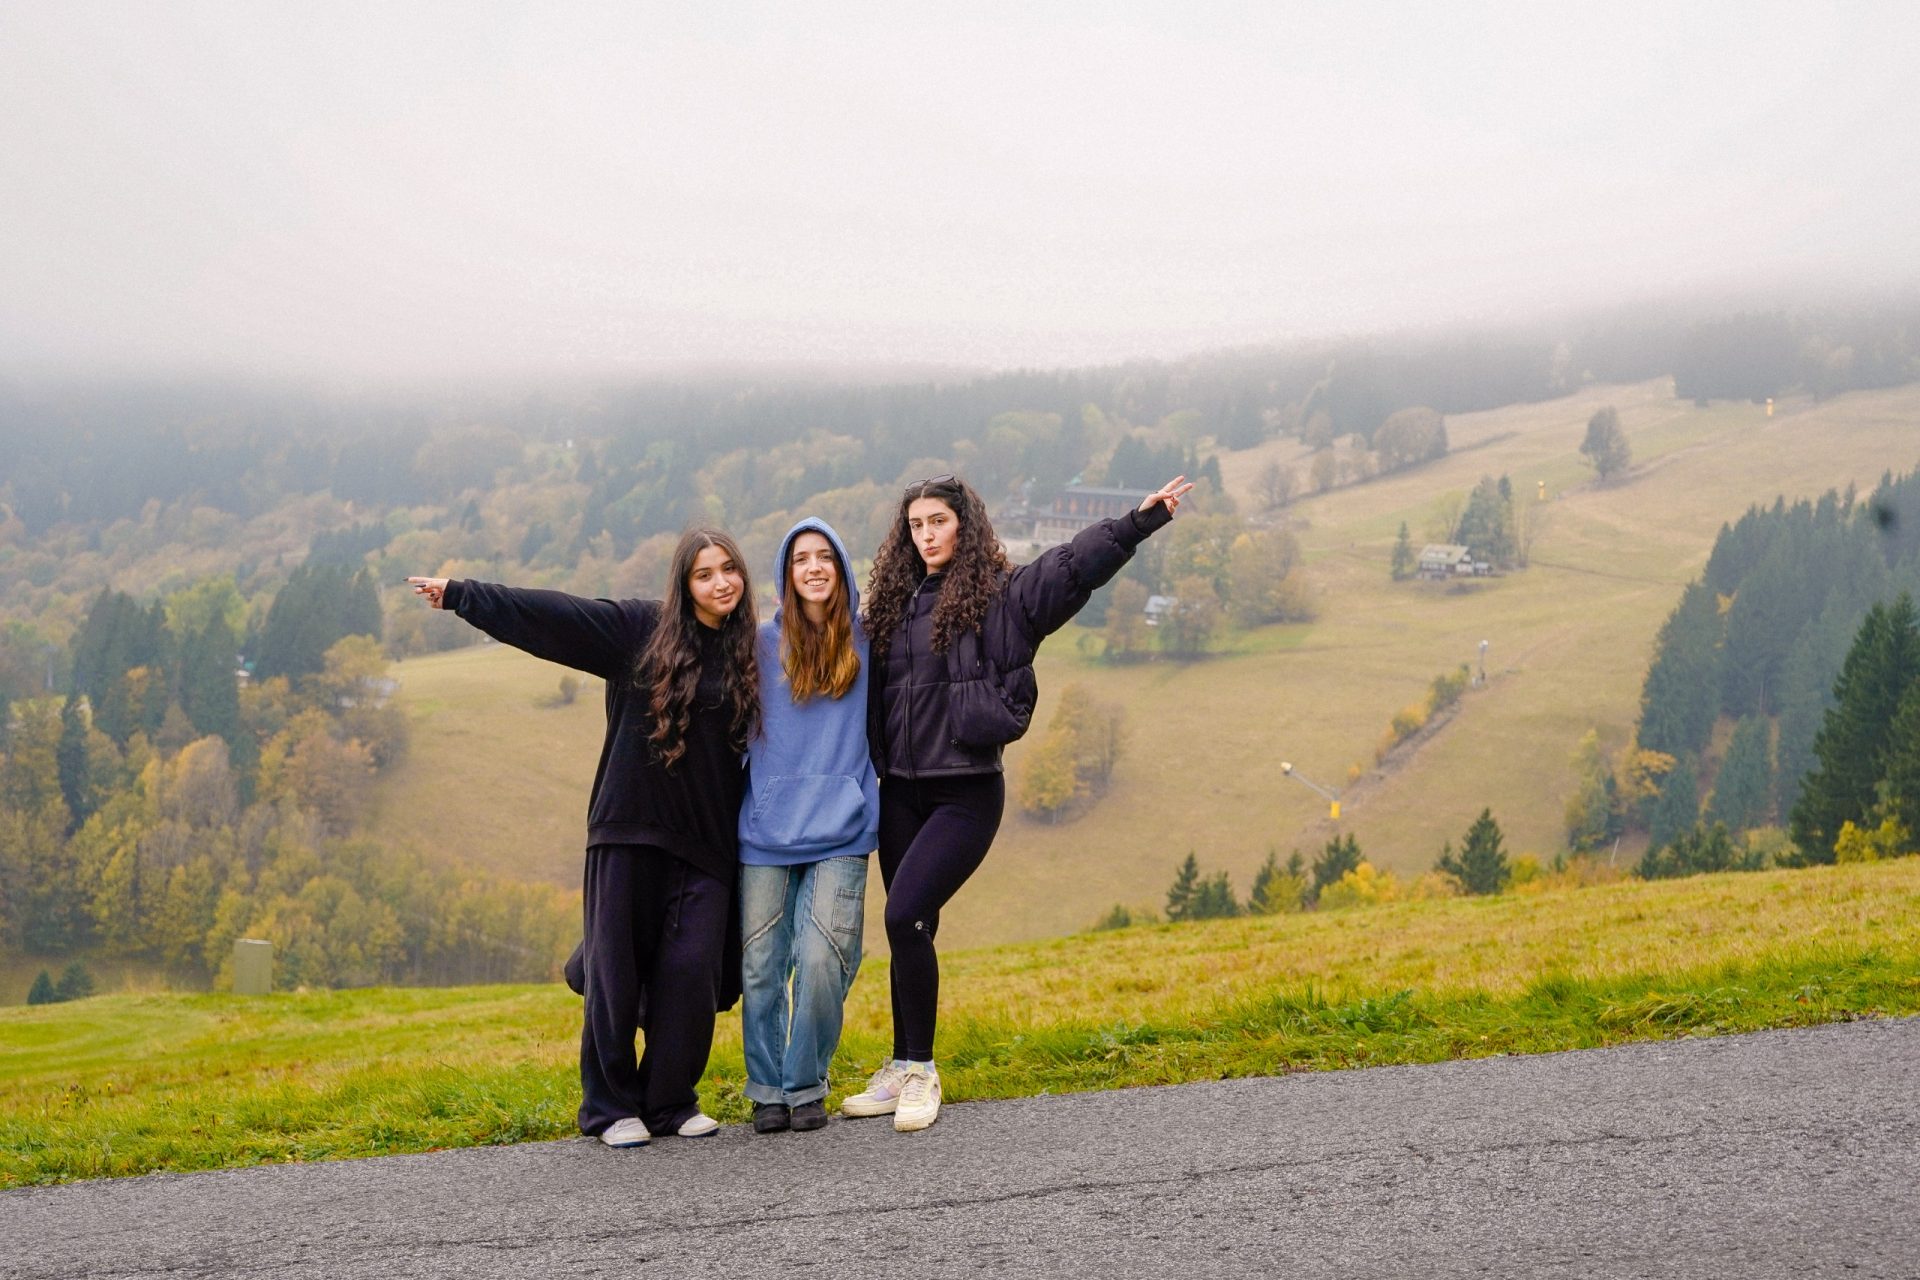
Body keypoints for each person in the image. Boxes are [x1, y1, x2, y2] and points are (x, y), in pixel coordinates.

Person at [845, 472, 1192, 1131]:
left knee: (903, 914)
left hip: (966, 792)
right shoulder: (891, 606)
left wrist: (1136, 524)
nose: (926, 536)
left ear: (963, 525)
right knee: (912, 928)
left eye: (938, 523)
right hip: (901, 794)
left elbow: (1069, 572)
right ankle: (899, 1065)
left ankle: (923, 1071)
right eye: (915, 526)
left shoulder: (998, 597)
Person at [407, 526, 759, 1150]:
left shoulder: (748, 651)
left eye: (728, 569)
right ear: (684, 584)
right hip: (628, 828)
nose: (720, 583)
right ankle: (608, 1107)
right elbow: (555, 616)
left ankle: (670, 1101)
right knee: (615, 974)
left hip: (706, 844)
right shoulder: (640, 630)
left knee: (691, 976)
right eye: (704, 574)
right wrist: (466, 595)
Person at [736, 518, 879, 1135]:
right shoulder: (758, 647)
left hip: (843, 827)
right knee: (761, 966)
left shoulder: (872, 640)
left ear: (842, 569)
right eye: (801, 560)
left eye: (825, 557)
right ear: (786, 575)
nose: (814, 567)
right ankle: (768, 1088)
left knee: (822, 960)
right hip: (766, 832)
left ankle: (805, 1084)